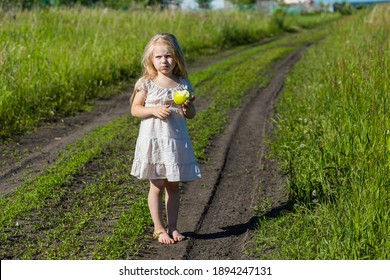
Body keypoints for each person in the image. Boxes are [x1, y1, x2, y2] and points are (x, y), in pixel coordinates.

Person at [130, 33, 202, 244]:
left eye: (168, 56)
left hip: (174, 142)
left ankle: (173, 227)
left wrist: (188, 107)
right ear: (151, 59)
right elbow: (135, 109)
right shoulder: (147, 83)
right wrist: (153, 110)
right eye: (159, 57)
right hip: (154, 140)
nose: (164, 61)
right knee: (157, 186)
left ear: (176, 57)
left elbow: (190, 115)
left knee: (173, 186)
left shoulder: (183, 84)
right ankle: (158, 228)